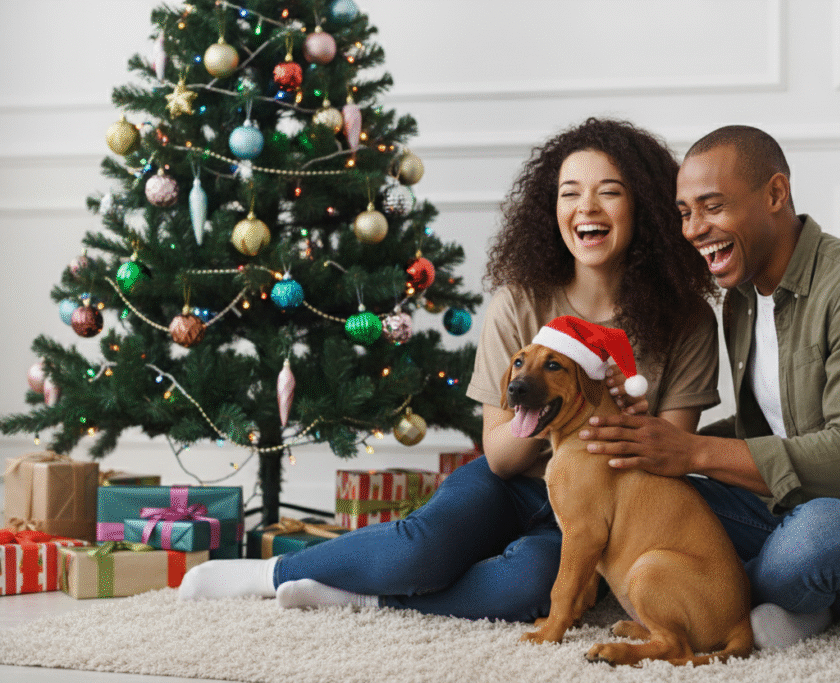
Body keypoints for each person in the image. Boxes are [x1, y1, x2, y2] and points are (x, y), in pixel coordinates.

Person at [178, 118, 722, 622]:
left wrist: (629, 419)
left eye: (609, 191)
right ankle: (267, 572)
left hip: (603, 505)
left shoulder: (687, 319)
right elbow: (504, 458)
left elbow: (670, 458)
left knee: (528, 585)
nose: (587, 208)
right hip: (511, 484)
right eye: (569, 193)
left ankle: (363, 594)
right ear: (549, 208)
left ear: (645, 208)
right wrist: (563, 399)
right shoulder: (520, 304)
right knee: (421, 548)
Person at [580, 125, 840, 648]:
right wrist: (653, 440)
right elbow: (766, 427)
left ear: (775, 194)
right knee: (653, 495)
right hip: (784, 506)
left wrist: (692, 449)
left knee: (813, 541)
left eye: (712, 207)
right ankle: (774, 603)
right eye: (684, 212)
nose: (694, 229)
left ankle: (729, 602)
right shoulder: (742, 297)